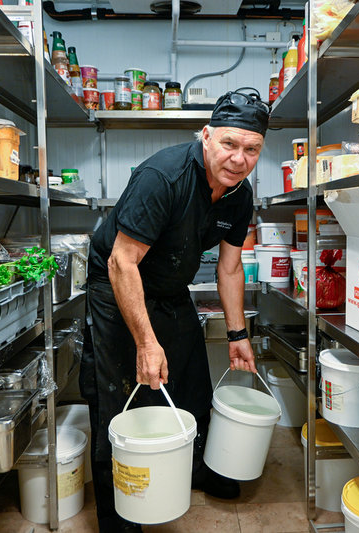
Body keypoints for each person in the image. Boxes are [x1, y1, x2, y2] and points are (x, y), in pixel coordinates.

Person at [79, 88, 270, 532]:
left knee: (190, 383)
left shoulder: (238, 194)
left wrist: (239, 337)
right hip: (118, 285)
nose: (239, 158)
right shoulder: (162, 177)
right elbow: (121, 262)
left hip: (170, 290)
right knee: (121, 399)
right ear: (206, 137)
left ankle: (197, 470)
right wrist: (146, 342)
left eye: (252, 149)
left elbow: (229, 267)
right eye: (229, 144)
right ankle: (119, 516)